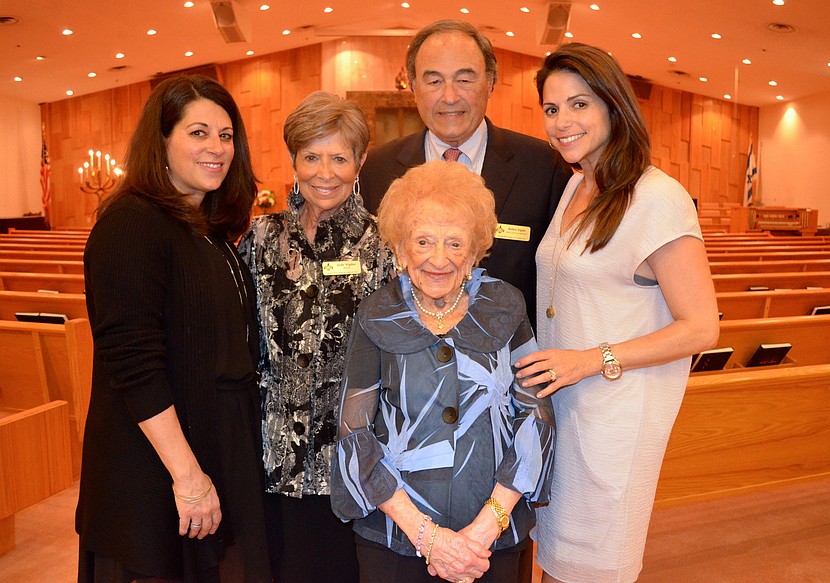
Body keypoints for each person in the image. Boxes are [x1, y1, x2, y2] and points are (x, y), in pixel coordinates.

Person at [514, 43, 721, 582]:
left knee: (595, 566)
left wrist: (590, 359)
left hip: (613, 418)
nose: (562, 121)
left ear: (613, 104)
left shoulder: (657, 198)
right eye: (552, 109)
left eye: (579, 104)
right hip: (564, 409)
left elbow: (702, 327)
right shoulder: (578, 184)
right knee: (556, 562)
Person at [76, 75, 272, 582]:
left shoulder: (207, 229)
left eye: (226, 136)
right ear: (161, 142)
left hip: (212, 443)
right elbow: (134, 363)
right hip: (156, 466)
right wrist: (187, 476)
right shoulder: (131, 223)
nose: (217, 148)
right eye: (198, 133)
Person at [331, 160, 556, 583]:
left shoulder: (504, 307)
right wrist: (429, 537)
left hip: (491, 539)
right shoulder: (377, 313)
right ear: (401, 250)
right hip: (395, 537)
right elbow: (354, 432)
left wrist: (484, 529)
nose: (439, 259)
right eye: (423, 241)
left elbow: (536, 419)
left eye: (455, 243)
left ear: (473, 253)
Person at [238, 91, 394, 583]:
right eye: (311, 157)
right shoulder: (260, 239)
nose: (325, 173)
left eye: (339, 158)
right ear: (294, 161)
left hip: (351, 464)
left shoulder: (384, 245)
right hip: (271, 458)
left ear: (360, 162)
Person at [358, 19, 568, 328]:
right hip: (404, 351)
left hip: (511, 351)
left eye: (465, 79)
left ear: (490, 82)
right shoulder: (378, 169)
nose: (450, 96)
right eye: (434, 81)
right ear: (414, 87)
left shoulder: (544, 166)